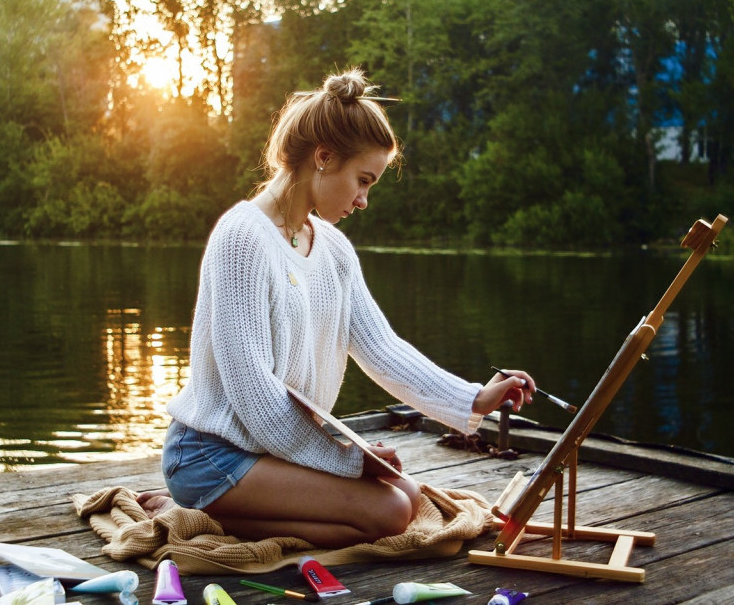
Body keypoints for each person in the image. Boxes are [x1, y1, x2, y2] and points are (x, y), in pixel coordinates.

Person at [144, 68, 535, 549]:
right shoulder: (242, 239)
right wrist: (351, 457)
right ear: (324, 158)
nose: (364, 200)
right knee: (392, 509)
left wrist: (472, 398)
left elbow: (382, 349)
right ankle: (200, 510)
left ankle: (222, 517)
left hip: (273, 450)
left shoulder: (332, 249)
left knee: (406, 497)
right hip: (211, 454)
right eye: (363, 180)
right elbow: (253, 395)